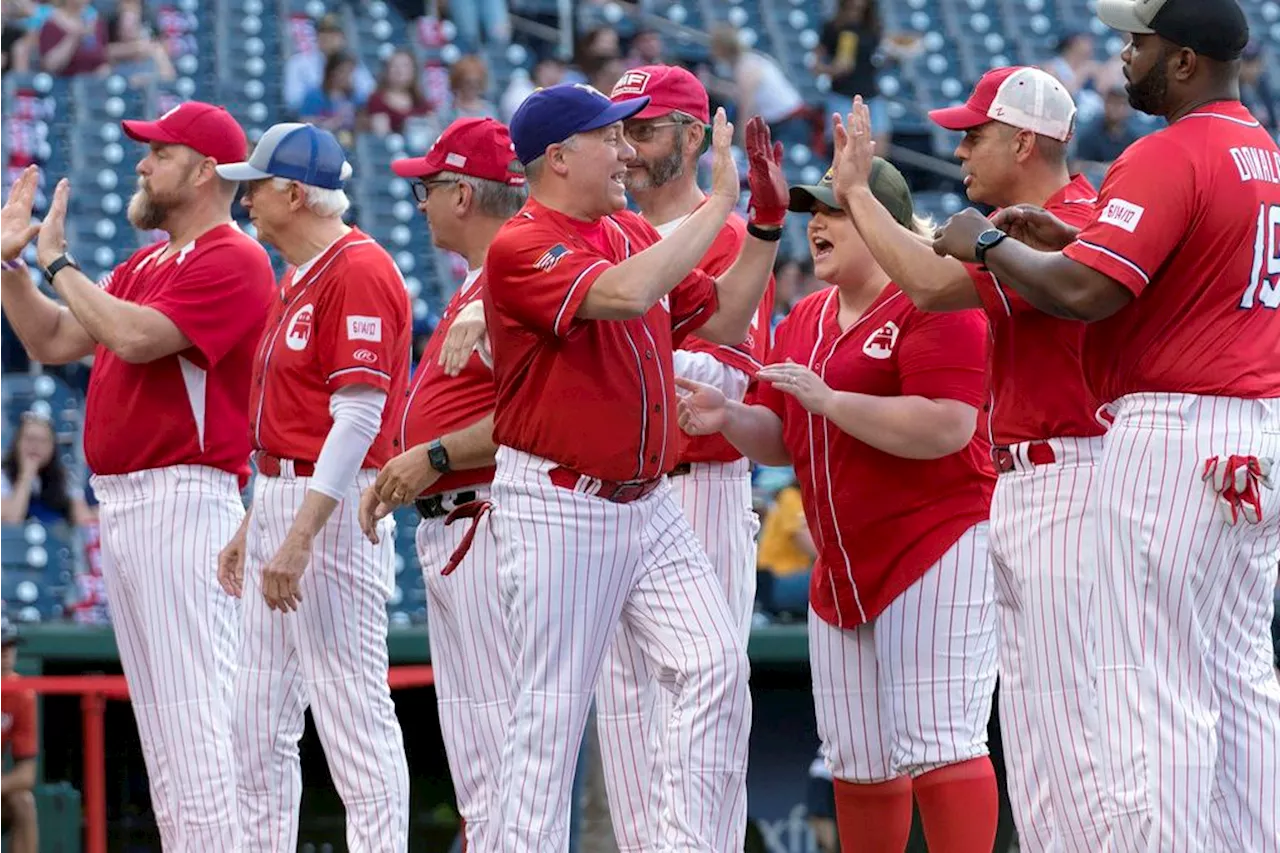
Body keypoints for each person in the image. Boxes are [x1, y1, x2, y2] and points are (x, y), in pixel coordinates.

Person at [931, 1, 1280, 849]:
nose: (1125, 57)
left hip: (1168, 432)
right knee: (1237, 678)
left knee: (1154, 684)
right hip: (1252, 429)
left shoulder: (1167, 152)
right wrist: (1064, 236)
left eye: (1141, 42)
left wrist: (983, 244)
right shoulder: (1264, 152)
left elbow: (1088, 295)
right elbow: (1150, 267)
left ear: (1187, 60)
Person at [482, 83, 786, 850]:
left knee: (715, 664)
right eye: (609, 139)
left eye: (627, 136)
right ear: (558, 157)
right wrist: (719, 203)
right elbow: (622, 297)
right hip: (561, 501)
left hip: (646, 505)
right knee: (550, 719)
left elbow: (719, 315)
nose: (625, 153)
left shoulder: (622, 228)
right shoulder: (522, 241)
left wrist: (768, 226)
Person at [678, 159, 999, 853]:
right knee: (856, 759)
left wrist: (829, 400)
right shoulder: (806, 318)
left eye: (833, 209)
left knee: (942, 740)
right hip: (844, 562)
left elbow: (948, 425)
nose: (814, 223)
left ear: (882, 225)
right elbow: (782, 437)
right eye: (811, 211)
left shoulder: (935, 303)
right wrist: (728, 415)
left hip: (937, 543)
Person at [829, 66, 1108, 852]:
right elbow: (932, 272)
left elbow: (925, 283)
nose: (958, 151)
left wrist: (858, 196)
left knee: (1076, 721)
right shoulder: (1019, 225)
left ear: (1026, 141)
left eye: (974, 134)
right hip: (1028, 480)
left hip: (1077, 473)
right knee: (1034, 724)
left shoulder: (1076, 218)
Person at [0, 101, 272, 851]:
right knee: (165, 734)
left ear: (206, 169)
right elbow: (54, 334)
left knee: (203, 723)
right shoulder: (146, 262)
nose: (142, 164)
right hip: (128, 504)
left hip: (186, 497)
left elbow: (135, 336)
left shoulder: (234, 255)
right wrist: (10, 266)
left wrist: (57, 261)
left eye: (159, 152)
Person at [578, 65, 776, 850]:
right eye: (618, 130)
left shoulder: (725, 232)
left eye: (646, 128)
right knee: (626, 719)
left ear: (694, 137)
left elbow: (742, 373)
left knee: (701, 710)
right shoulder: (606, 232)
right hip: (612, 496)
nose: (625, 147)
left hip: (698, 484)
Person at [212, 122, 412, 853]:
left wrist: (297, 535)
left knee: (352, 714)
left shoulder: (359, 268)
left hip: (332, 505)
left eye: (256, 187)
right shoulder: (299, 274)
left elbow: (357, 417)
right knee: (255, 721)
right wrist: (255, 524)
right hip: (282, 493)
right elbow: (289, 419)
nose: (245, 202)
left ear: (294, 192)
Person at [354, 117, 528, 851]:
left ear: (463, 193)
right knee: (480, 765)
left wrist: (433, 453)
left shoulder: (515, 279)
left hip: (487, 519)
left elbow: (541, 411)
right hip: (453, 528)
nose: (418, 202)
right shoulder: (479, 284)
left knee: (503, 756)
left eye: (427, 187)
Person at [0, 410, 94, 527]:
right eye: (30, 439)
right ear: (17, 442)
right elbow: (11, 520)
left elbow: (85, 520)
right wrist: (26, 475)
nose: (35, 446)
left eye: (43, 441)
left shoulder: (65, 478)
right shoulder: (3, 476)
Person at [0, 619, 37, 853]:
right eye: (0, 645)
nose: (5, 651)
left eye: (10, 644)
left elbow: (27, 774)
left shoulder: (21, 693)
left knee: (23, 802)